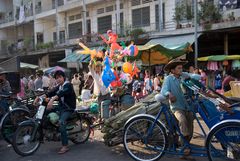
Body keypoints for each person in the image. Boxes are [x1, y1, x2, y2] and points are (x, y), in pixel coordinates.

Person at [34, 70, 76, 154]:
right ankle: (46, 133)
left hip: (68, 108)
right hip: (61, 107)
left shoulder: (68, 85)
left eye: (60, 77)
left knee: (61, 122)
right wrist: (39, 97)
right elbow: (50, 92)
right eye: (57, 78)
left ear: (63, 77)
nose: (58, 79)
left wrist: (52, 100)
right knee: (44, 112)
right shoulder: (59, 86)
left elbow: (61, 93)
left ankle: (65, 145)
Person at [160, 59, 194, 157]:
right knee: (182, 121)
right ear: (173, 70)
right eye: (179, 68)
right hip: (176, 107)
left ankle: (186, 143)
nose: (181, 70)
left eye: (181, 68)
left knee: (191, 121)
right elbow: (164, 91)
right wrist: (169, 94)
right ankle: (184, 146)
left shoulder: (183, 76)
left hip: (187, 106)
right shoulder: (168, 79)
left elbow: (193, 78)